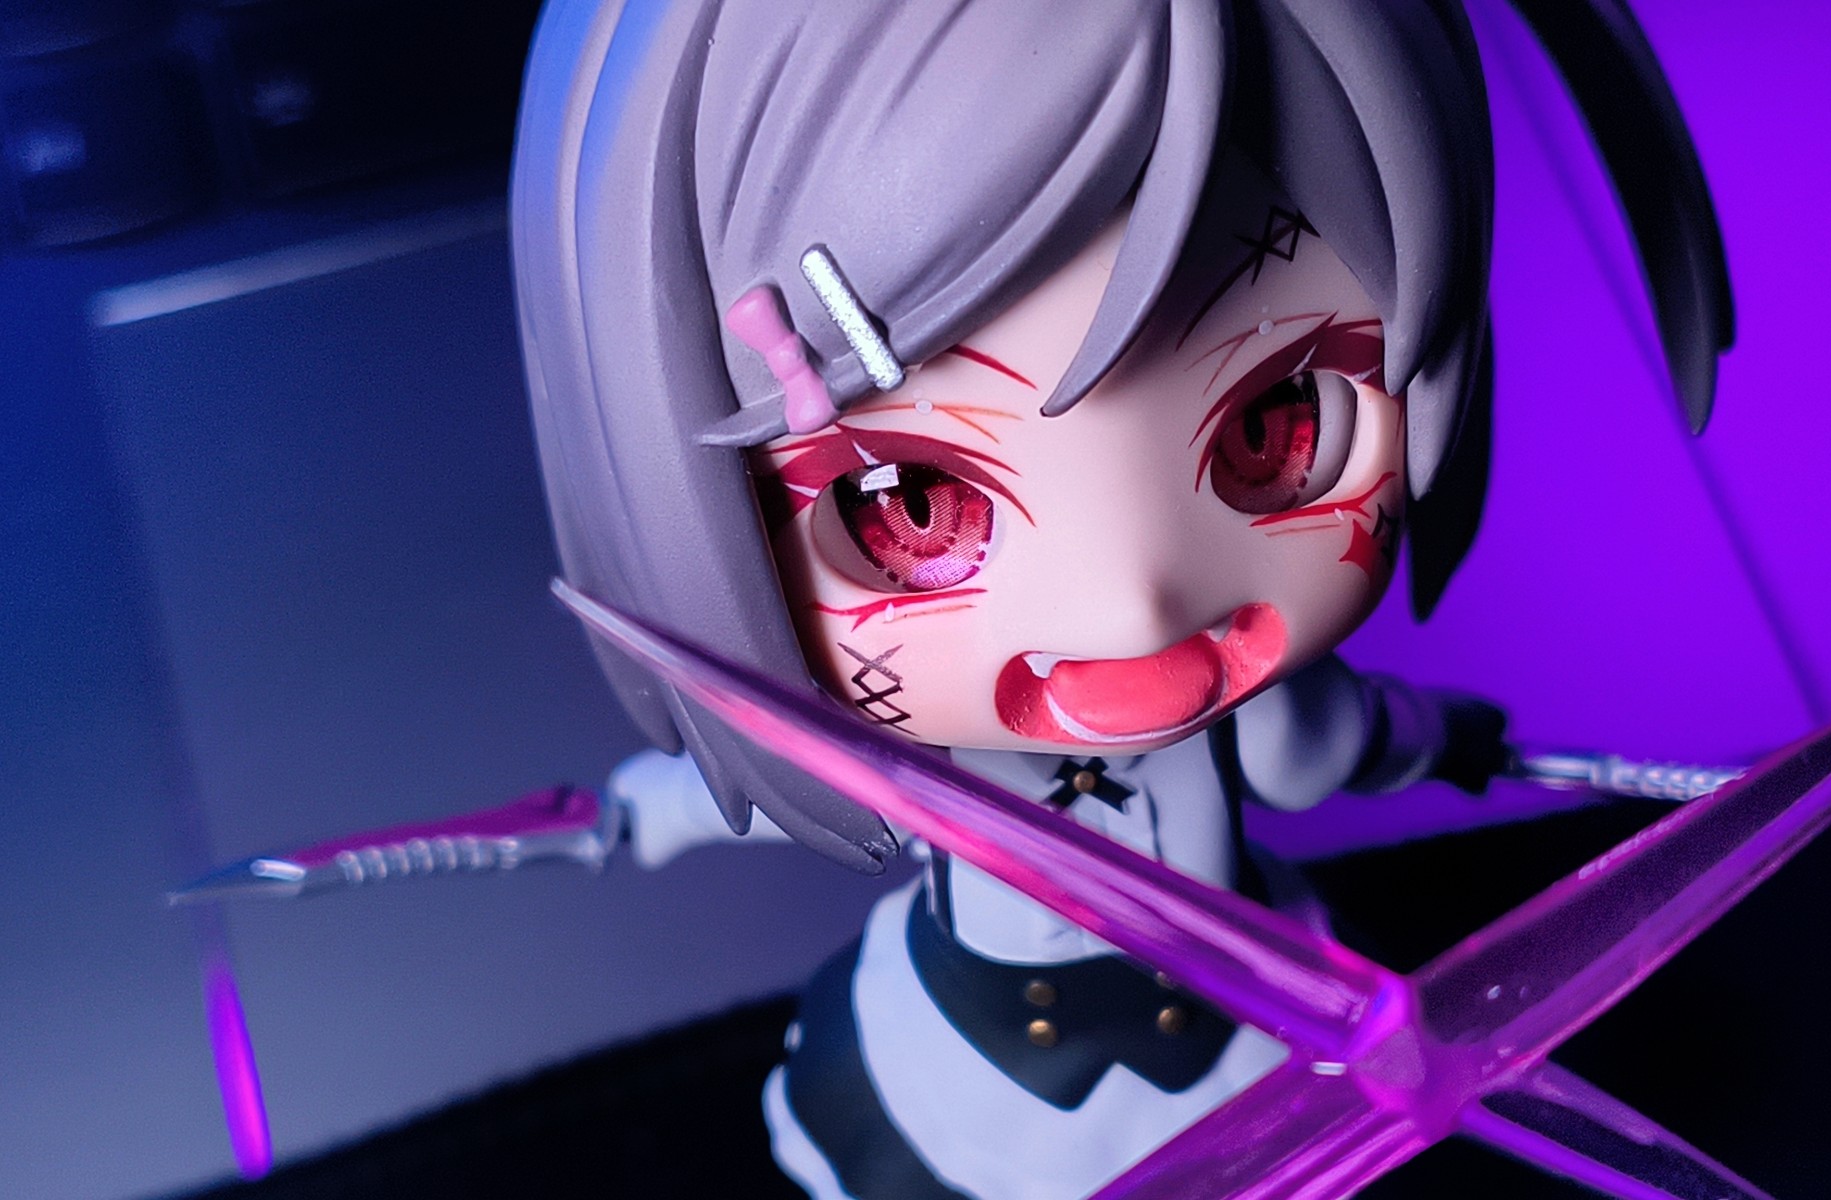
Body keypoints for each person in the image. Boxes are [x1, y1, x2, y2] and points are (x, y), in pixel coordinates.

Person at [510, 1, 1728, 1196]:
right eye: (914, 508)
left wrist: (1459, 743)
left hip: (1261, 1036)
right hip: (979, 1066)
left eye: (1275, 427)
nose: (1131, 612)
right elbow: (765, 795)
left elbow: (1343, 744)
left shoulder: (1258, 729)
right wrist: (637, 811)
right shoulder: (921, 777)